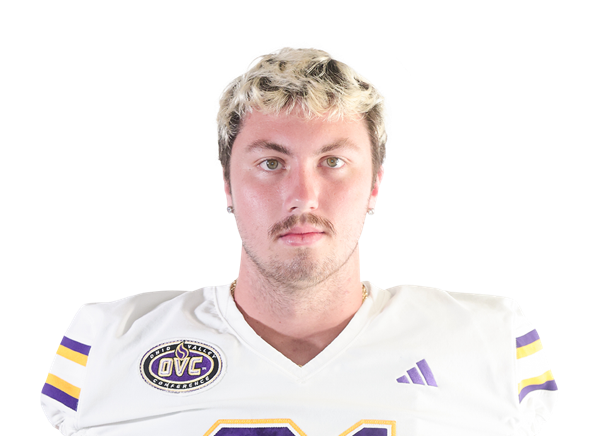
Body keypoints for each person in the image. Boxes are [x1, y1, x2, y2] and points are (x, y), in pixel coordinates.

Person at [40, 44, 558, 435]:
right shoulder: (110, 343)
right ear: (227, 186)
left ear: (374, 186)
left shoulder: (488, 341)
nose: (303, 196)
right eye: (271, 163)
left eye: (333, 161)